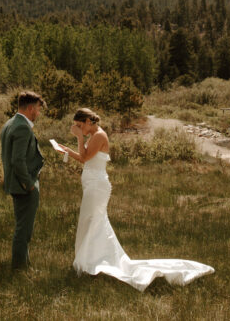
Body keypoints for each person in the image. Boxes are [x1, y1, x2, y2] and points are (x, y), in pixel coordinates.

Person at [57, 108, 214, 291]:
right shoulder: (93, 136)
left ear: (88, 122)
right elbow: (86, 159)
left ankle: (93, 261)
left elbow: (84, 157)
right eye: (76, 126)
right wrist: (67, 151)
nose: (77, 128)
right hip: (92, 185)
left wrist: (78, 138)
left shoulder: (99, 135)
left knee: (93, 221)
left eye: (79, 125)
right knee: (91, 222)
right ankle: (90, 260)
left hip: (97, 187)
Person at [1, 91, 45, 270]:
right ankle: (19, 268)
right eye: (38, 109)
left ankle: (24, 264)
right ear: (30, 108)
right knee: (24, 230)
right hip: (23, 187)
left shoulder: (10, 123)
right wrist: (29, 185)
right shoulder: (22, 127)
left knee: (22, 226)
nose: (38, 113)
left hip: (15, 184)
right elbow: (17, 161)